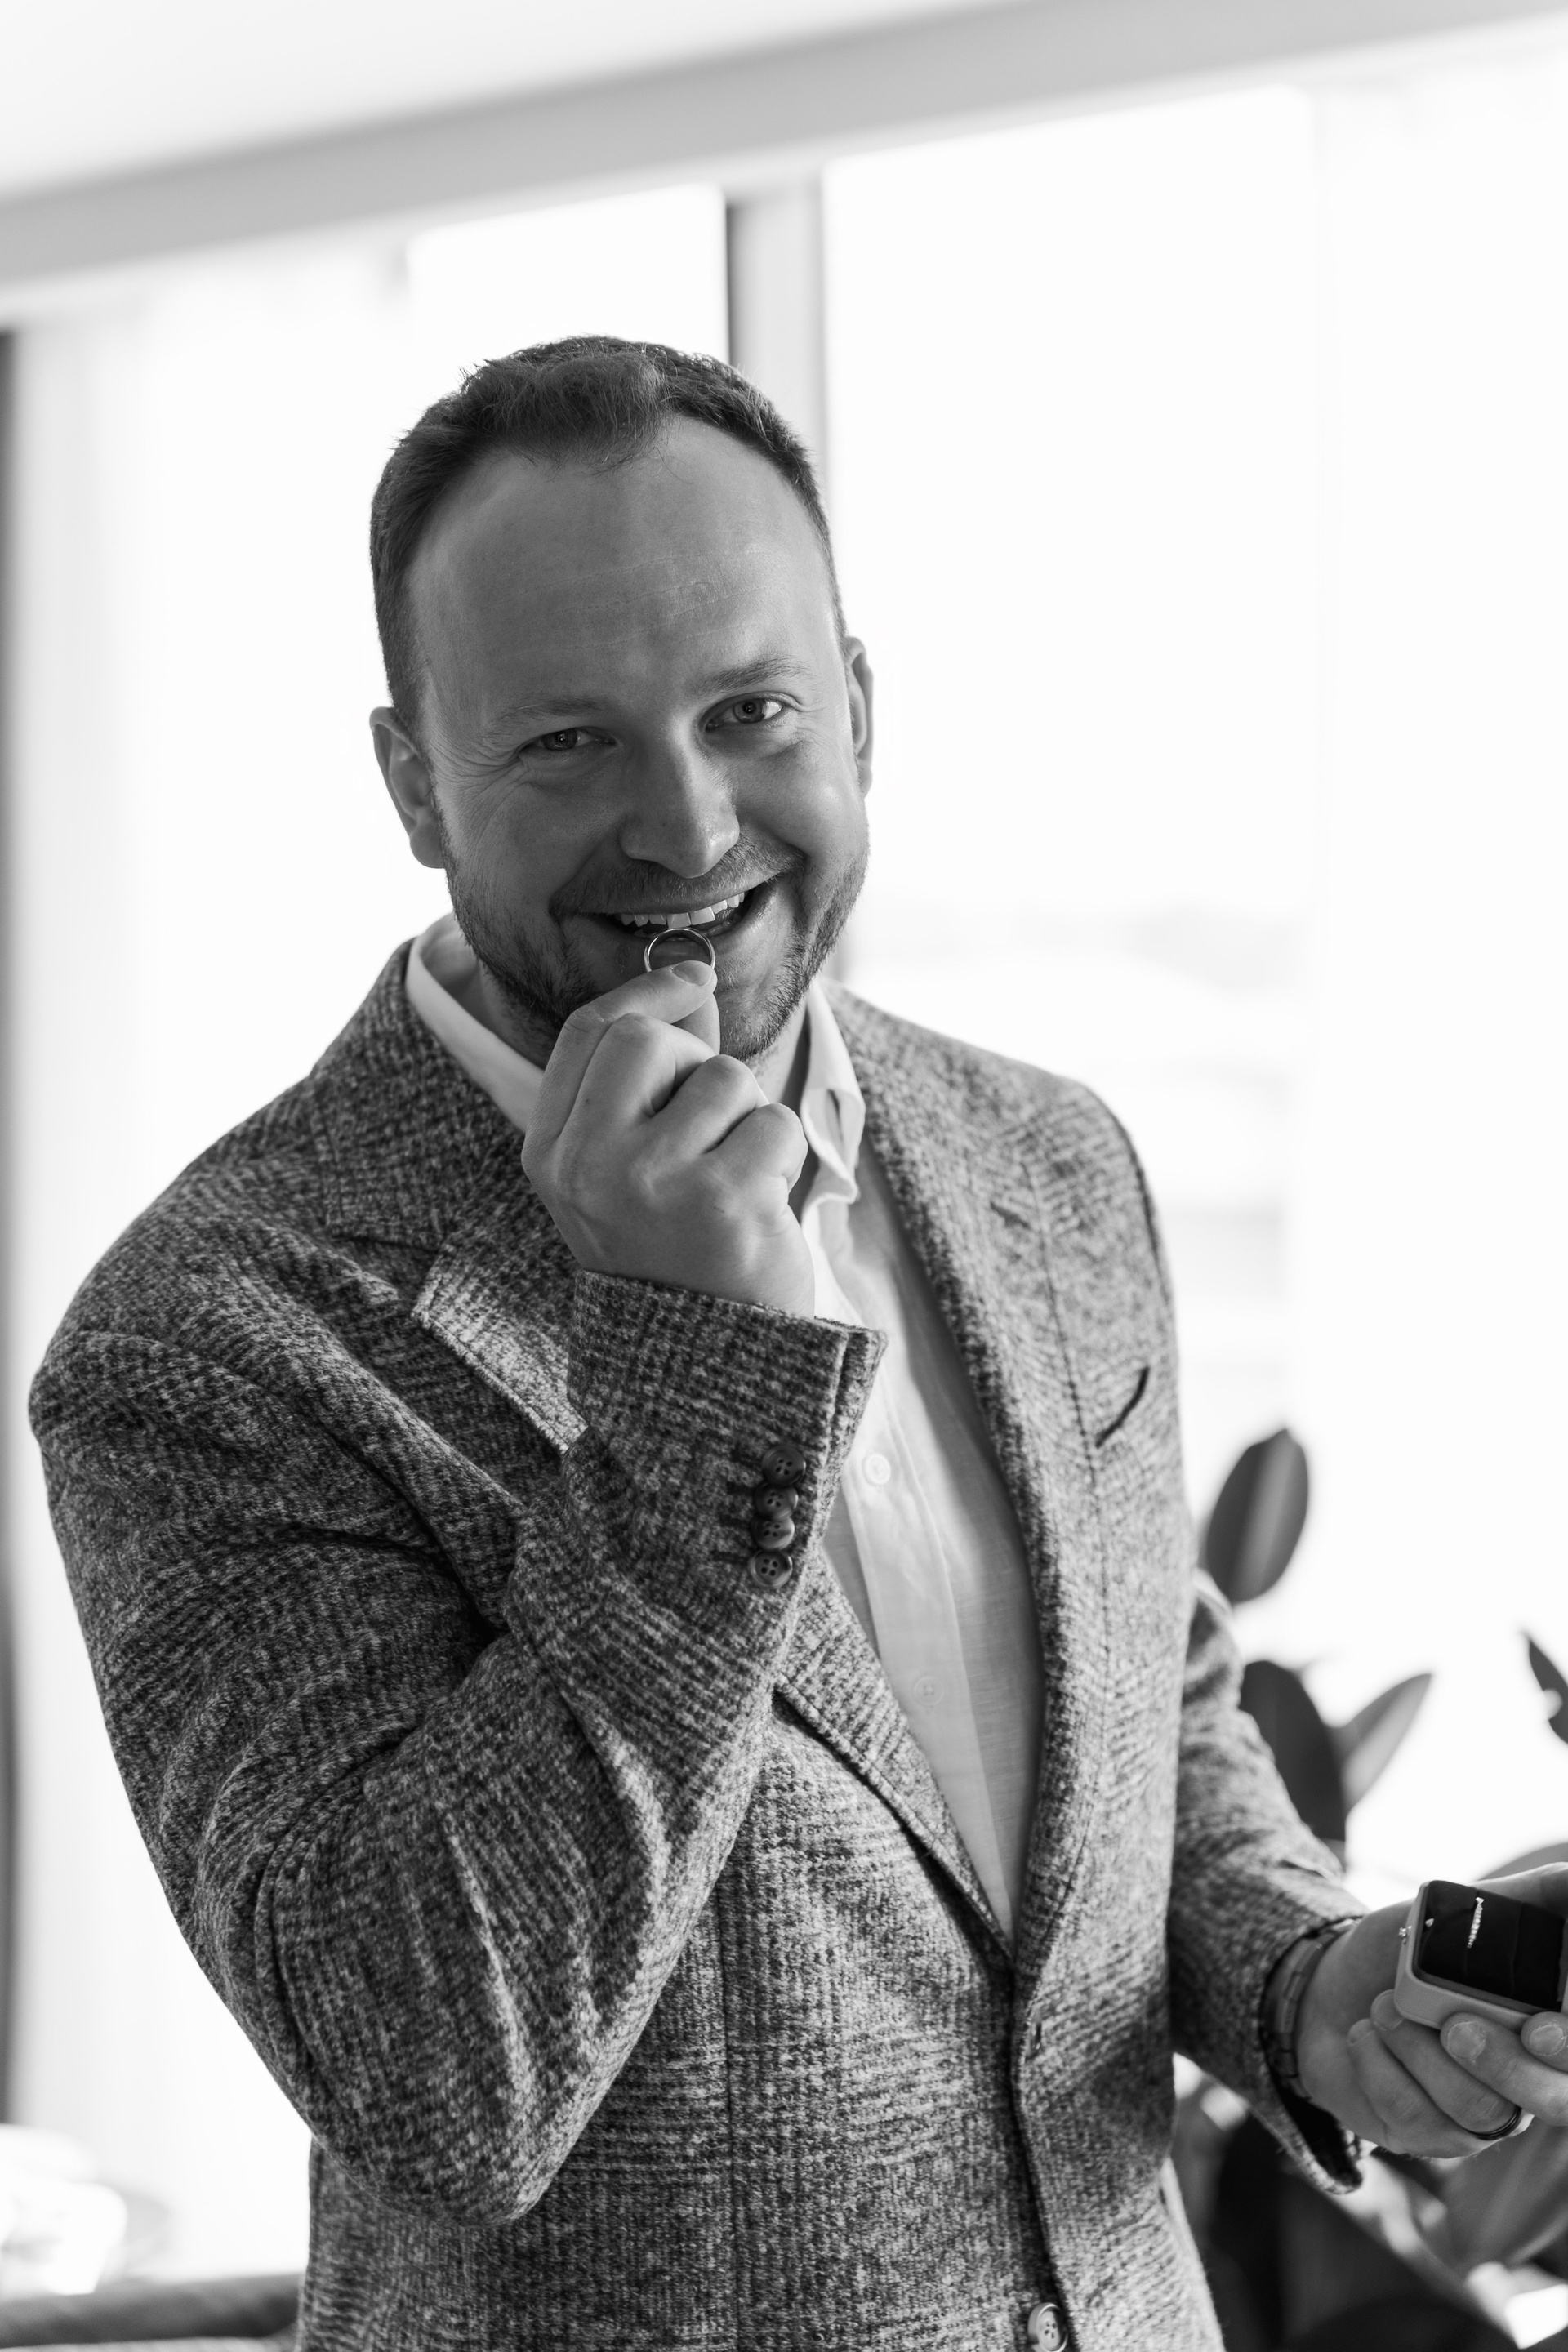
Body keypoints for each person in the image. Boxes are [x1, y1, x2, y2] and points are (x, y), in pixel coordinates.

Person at [30, 338, 1568, 2352]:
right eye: (566, 742)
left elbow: (1146, 1715)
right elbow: (439, 2079)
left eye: (749, 711)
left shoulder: (1045, 1158)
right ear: (413, 782)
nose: (686, 827)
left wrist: (1306, 1981)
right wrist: (694, 1371)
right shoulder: (208, 1334)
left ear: (857, 703)